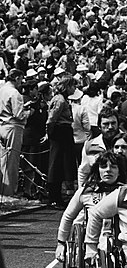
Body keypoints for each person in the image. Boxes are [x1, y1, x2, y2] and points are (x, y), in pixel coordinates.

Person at [55, 152, 127, 268]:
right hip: (91, 239)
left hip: (119, 238)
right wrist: (61, 243)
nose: (108, 170)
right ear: (97, 170)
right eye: (103, 166)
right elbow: (68, 216)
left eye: (113, 167)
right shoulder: (86, 191)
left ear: (119, 171)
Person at [46, 74, 78, 207]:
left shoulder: (63, 99)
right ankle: (54, 197)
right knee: (56, 164)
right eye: (73, 86)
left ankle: (58, 196)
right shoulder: (59, 100)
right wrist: (49, 133)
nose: (75, 88)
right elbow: (52, 119)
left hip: (64, 132)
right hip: (59, 132)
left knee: (64, 164)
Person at [0, 69, 30, 196]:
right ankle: (9, 191)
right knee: (12, 161)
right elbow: (19, 114)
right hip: (13, 126)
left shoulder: (1, 89)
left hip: (2, 125)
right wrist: (28, 112)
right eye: (20, 79)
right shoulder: (14, 92)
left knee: (3, 161)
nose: (21, 82)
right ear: (17, 78)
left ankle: (3, 190)